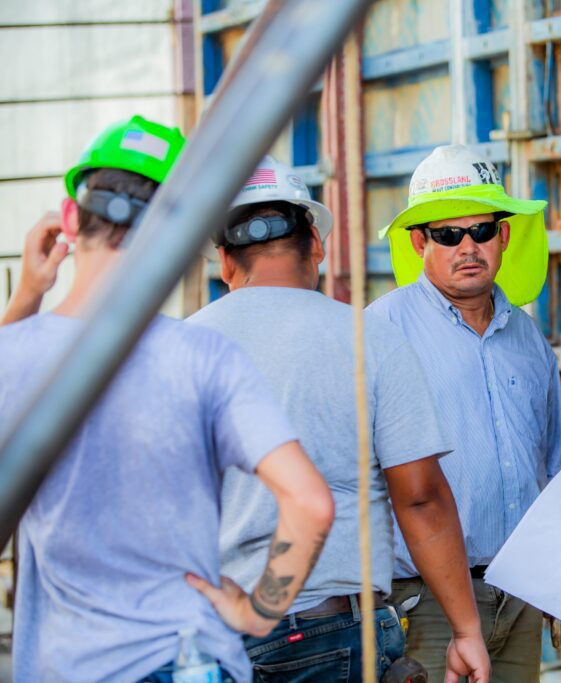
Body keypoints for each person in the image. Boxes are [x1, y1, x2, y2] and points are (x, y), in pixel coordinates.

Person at [0, 116, 335, 682]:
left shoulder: (17, 355)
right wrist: (258, 611)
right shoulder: (207, 357)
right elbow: (310, 503)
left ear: (66, 222)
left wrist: (29, 295)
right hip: (190, 661)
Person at [189, 156, 490, 683]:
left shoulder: (180, 348)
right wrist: (466, 630)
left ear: (224, 261)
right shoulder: (370, 338)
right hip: (343, 632)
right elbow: (419, 497)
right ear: (318, 244)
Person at [369, 144, 561, 683]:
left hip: (520, 595)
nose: (468, 246)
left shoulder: (528, 338)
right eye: (447, 234)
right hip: (424, 606)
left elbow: (549, 468)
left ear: (503, 236)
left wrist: (556, 579)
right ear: (419, 242)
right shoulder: (381, 333)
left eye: (482, 231)